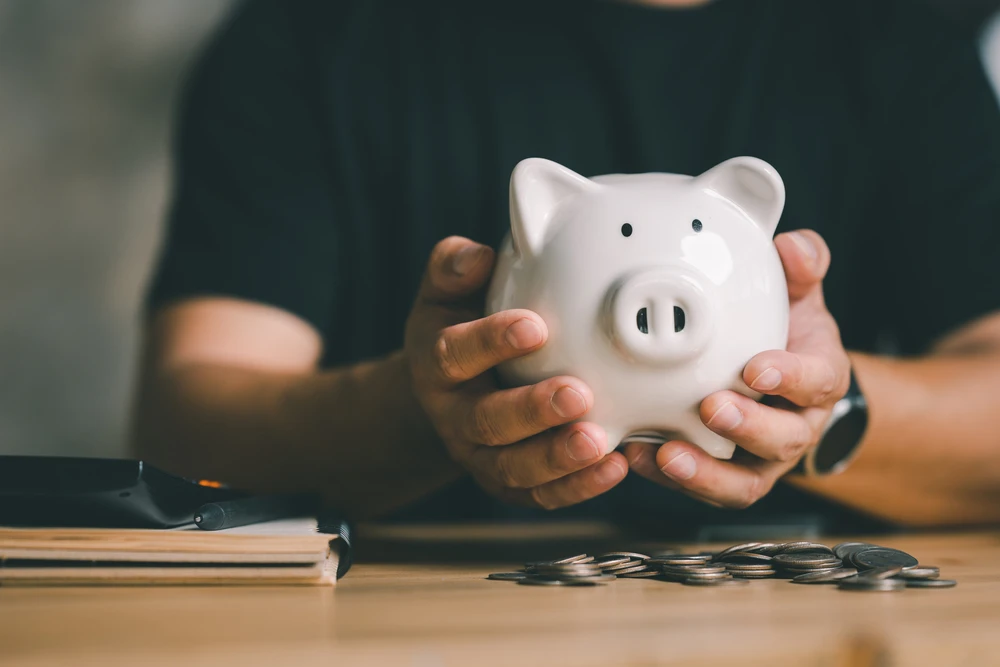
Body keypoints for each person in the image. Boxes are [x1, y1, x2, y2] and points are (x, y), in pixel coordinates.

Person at [132, 0, 1000, 531]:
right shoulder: (315, 34)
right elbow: (186, 429)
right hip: (415, 616)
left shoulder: (902, 52)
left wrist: (823, 403)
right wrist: (429, 406)